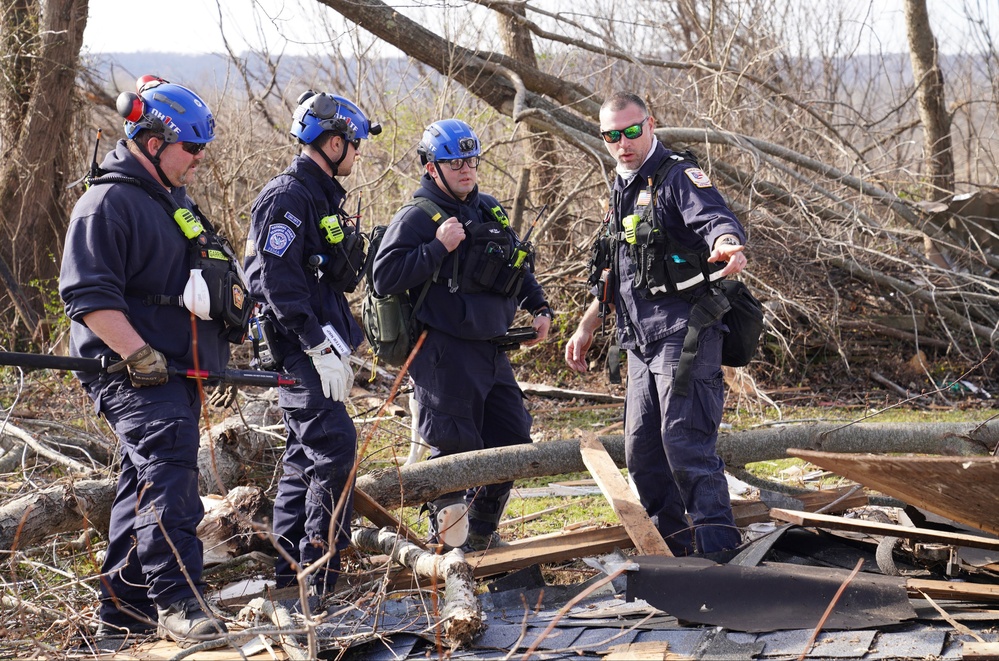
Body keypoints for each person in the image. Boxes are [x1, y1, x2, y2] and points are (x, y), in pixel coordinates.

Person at [60, 76, 242, 646]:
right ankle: (177, 598)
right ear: (154, 140)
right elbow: (89, 299)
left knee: (141, 483)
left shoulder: (172, 201)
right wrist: (137, 353)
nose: (199, 158)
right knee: (169, 467)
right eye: (192, 147)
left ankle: (120, 615)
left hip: (176, 371)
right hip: (130, 372)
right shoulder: (106, 204)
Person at [564, 92, 748, 556]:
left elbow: (715, 217)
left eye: (630, 131)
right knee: (643, 454)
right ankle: (675, 554)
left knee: (685, 444)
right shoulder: (621, 186)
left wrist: (727, 244)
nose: (622, 143)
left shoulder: (677, 176)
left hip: (684, 332)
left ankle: (720, 559)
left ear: (650, 124)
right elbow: (616, 267)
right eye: (611, 136)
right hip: (639, 338)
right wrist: (588, 324)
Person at [372, 119, 552, 552]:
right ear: (432, 167)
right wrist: (437, 247)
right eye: (454, 162)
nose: (466, 169)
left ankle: (482, 540)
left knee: (511, 443)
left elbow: (516, 266)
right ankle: (449, 558)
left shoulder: (487, 207)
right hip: (443, 354)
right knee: (454, 453)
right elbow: (384, 277)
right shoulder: (417, 216)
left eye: (471, 160)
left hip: (492, 350)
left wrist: (539, 304)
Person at [243, 91, 379, 594]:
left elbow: (321, 277)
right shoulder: (288, 197)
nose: (358, 155)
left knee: (304, 458)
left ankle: (290, 579)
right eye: (355, 145)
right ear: (334, 142)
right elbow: (275, 281)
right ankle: (319, 576)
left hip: (319, 345)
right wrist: (317, 345)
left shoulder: (321, 195)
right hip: (300, 348)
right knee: (334, 448)